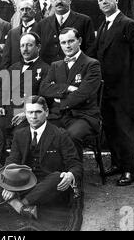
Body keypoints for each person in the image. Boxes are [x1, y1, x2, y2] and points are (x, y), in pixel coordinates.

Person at [0, 96, 82, 219]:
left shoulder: (60, 134)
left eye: (38, 112)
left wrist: (70, 175)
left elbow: (76, 165)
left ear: (46, 113)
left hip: (46, 186)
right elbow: (12, 160)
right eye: (30, 112)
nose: (33, 116)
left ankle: (15, 204)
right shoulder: (20, 134)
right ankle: (20, 208)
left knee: (58, 176)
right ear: (25, 113)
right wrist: (9, 186)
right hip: (23, 182)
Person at [88, 0, 134, 186]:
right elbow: (96, 53)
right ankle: (117, 164)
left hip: (124, 90)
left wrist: (131, 79)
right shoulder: (103, 26)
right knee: (111, 129)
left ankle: (129, 171)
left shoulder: (128, 24)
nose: (104, 1)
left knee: (125, 131)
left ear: (116, 0)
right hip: (106, 91)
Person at [39, 27, 101, 159]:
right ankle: (50, 172)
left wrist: (60, 100)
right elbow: (44, 88)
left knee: (71, 136)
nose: (67, 46)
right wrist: (66, 88)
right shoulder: (56, 65)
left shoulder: (92, 64)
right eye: (63, 42)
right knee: (40, 131)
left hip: (83, 116)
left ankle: (74, 175)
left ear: (79, 41)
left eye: (71, 41)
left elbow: (83, 94)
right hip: (59, 116)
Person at [0, 32, 50, 149]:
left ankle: (18, 166)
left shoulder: (46, 69)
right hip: (9, 113)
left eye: (29, 45)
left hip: (29, 116)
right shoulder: (13, 68)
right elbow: (2, 90)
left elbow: (45, 97)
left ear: (38, 47)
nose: (25, 49)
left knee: (21, 135)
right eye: (22, 46)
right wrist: (0, 106)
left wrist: (27, 114)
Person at [32, 0, 95, 64]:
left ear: (70, 0)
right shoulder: (42, 24)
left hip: (75, 71)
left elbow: (90, 49)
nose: (59, 1)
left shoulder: (84, 21)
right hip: (49, 72)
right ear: (51, 1)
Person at [1, 0, 38, 69]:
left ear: (35, 11)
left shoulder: (41, 30)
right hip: (15, 74)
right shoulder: (12, 33)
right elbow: (6, 59)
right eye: (22, 9)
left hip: (35, 74)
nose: (24, 12)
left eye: (28, 9)